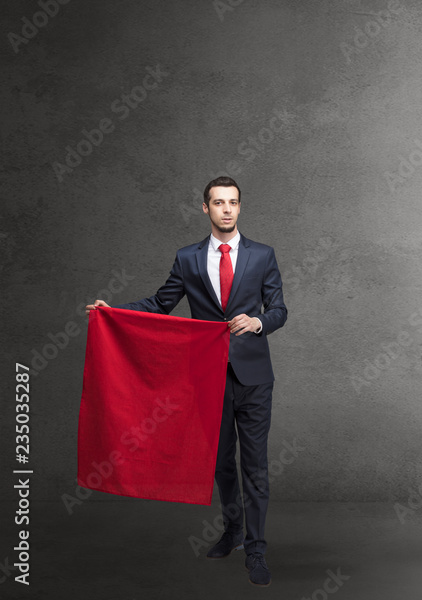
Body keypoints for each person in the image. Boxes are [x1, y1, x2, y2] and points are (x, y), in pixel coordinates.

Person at [87, 176, 287, 586]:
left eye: (233, 202)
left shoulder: (263, 255)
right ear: (205, 209)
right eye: (218, 203)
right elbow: (161, 303)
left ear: (240, 207)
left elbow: (280, 309)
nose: (227, 209)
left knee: (255, 468)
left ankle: (257, 550)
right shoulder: (188, 258)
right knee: (220, 465)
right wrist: (113, 310)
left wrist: (259, 321)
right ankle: (232, 531)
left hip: (253, 378)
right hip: (207, 378)